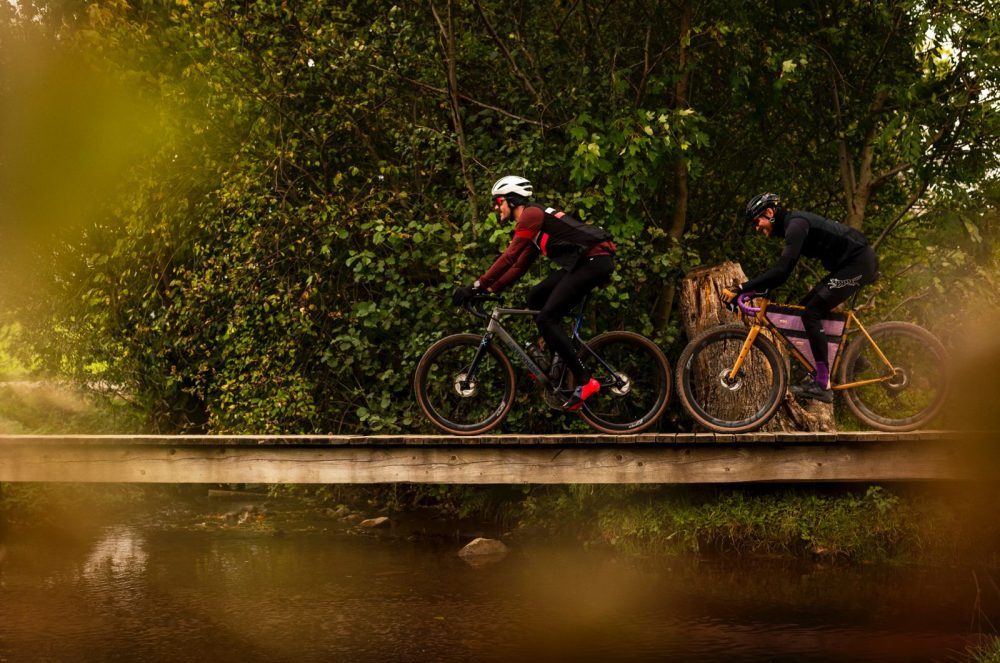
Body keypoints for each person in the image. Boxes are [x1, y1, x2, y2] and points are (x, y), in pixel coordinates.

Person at [452, 176, 616, 411]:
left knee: (546, 319)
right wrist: (489, 289)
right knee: (535, 298)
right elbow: (518, 267)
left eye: (498, 202)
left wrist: (476, 286)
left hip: (594, 261)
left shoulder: (530, 214)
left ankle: (585, 380)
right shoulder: (533, 226)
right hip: (582, 264)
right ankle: (556, 361)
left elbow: (508, 257)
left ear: (511, 199)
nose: (496, 207)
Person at [722, 192, 879, 403]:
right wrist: (756, 289)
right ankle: (852, 359)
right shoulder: (792, 226)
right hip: (851, 264)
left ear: (769, 212)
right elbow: (781, 274)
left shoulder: (795, 225)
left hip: (858, 263)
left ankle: (823, 384)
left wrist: (742, 287)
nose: (756, 227)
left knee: (811, 312)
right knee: (804, 310)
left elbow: (781, 271)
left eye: (756, 221)